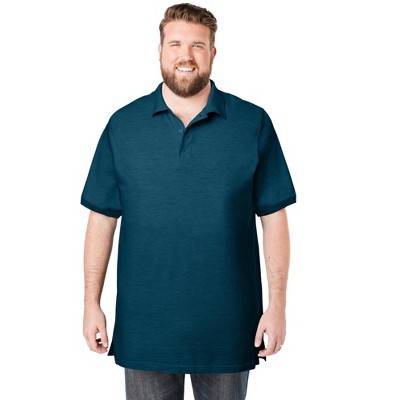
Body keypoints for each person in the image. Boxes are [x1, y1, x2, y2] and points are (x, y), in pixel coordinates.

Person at [81, 3, 296, 399]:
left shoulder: (252, 123)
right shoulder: (123, 125)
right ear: (159, 51)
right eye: (175, 44)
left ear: (212, 53)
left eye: (197, 46)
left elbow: (274, 218)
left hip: (230, 324)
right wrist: (90, 302)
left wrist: (277, 305)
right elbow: (102, 218)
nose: (186, 56)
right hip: (145, 325)